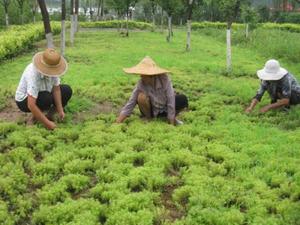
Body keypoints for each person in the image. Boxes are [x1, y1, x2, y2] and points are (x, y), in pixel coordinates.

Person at [116, 56, 188, 125]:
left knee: (182, 99)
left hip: (165, 107)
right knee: (141, 97)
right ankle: (149, 119)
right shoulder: (141, 83)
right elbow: (131, 102)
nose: (141, 76)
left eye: (143, 74)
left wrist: (171, 121)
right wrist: (118, 121)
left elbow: (170, 99)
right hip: (152, 110)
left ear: (151, 75)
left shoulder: (164, 80)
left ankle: (169, 118)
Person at [15, 48, 72, 130]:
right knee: (46, 98)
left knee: (66, 90)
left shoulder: (54, 68)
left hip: (43, 94)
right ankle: (34, 118)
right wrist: (47, 124)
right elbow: (30, 105)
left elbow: (56, 89)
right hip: (24, 100)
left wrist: (60, 109)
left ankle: (49, 115)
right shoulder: (33, 74)